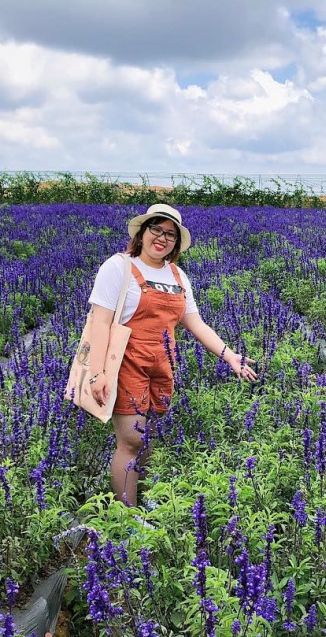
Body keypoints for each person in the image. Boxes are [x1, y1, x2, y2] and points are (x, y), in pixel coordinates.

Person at [86, 203, 257, 507]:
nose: (162, 238)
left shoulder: (178, 276)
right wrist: (97, 372)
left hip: (162, 364)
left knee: (149, 438)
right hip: (125, 363)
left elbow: (195, 323)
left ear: (176, 243)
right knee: (131, 439)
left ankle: (141, 501)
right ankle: (126, 519)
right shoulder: (119, 267)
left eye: (170, 234)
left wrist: (229, 356)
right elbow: (100, 321)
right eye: (156, 229)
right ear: (142, 231)